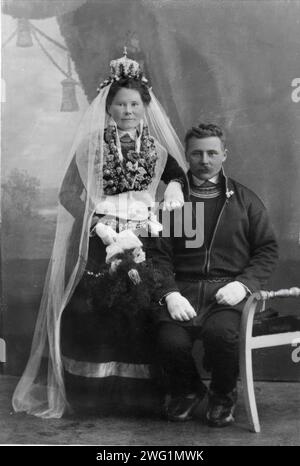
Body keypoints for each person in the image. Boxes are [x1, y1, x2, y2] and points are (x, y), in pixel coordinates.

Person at [12, 50, 188, 418]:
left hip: (143, 236)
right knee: (96, 312)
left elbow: (177, 174)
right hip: (97, 239)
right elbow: (66, 195)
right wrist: (96, 224)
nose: (128, 111)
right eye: (120, 104)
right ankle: (93, 397)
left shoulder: (155, 149)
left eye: (135, 104)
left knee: (137, 310)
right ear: (108, 107)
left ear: (145, 107)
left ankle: (137, 398)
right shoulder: (90, 147)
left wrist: (173, 187)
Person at [147, 123, 279, 427]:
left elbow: (267, 249)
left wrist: (244, 285)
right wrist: (169, 293)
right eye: (197, 153)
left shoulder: (246, 200)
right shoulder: (172, 202)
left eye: (212, 153)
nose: (204, 160)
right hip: (183, 291)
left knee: (222, 335)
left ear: (224, 155)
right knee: (169, 340)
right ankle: (188, 389)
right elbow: (157, 254)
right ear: (187, 156)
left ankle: (222, 394)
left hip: (228, 293)